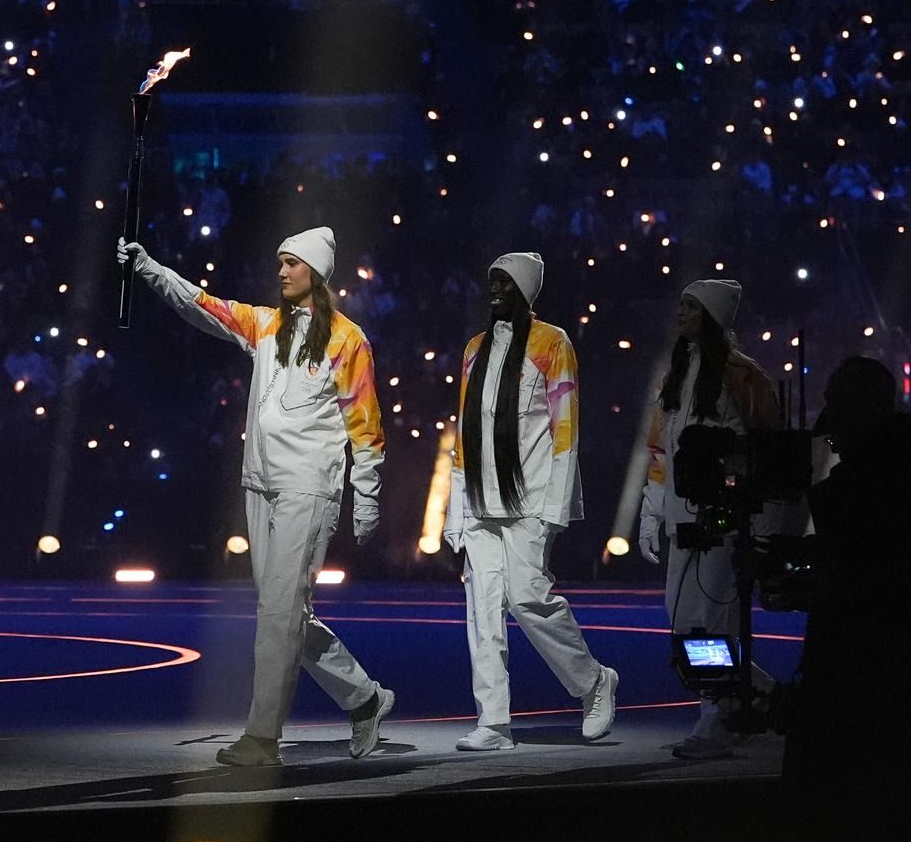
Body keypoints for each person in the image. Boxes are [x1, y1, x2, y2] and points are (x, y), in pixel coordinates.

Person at [116, 228, 394, 767]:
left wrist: (367, 496)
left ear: (316, 272)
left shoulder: (347, 339)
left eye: (291, 263)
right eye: (280, 262)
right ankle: (365, 698)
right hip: (260, 482)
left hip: (309, 485)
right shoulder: (267, 324)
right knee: (282, 613)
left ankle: (263, 737)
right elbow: (201, 305)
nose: (282, 272)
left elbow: (365, 424)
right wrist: (149, 269)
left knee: (279, 614)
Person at [782, 356, 911, 837]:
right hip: (909, 663)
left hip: (876, 669)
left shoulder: (885, 476)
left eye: (839, 417)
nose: (833, 438)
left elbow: (866, 560)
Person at [442, 252, 617, 751]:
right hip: (479, 501)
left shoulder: (552, 342)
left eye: (505, 282)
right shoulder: (474, 348)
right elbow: (465, 433)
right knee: (483, 611)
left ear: (525, 290)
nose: (494, 289)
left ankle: (593, 681)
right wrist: (456, 511)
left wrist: (556, 507)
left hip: (530, 500)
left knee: (527, 598)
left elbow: (566, 428)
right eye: (491, 280)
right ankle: (493, 724)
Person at [637, 279, 803, 759]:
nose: (680, 312)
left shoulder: (742, 375)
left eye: (691, 306)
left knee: (710, 624)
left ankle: (716, 722)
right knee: (683, 621)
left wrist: (767, 527)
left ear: (711, 316)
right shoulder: (675, 374)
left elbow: (768, 452)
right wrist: (652, 510)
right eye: (681, 304)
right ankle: (763, 699)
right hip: (681, 519)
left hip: (725, 521)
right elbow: (660, 450)